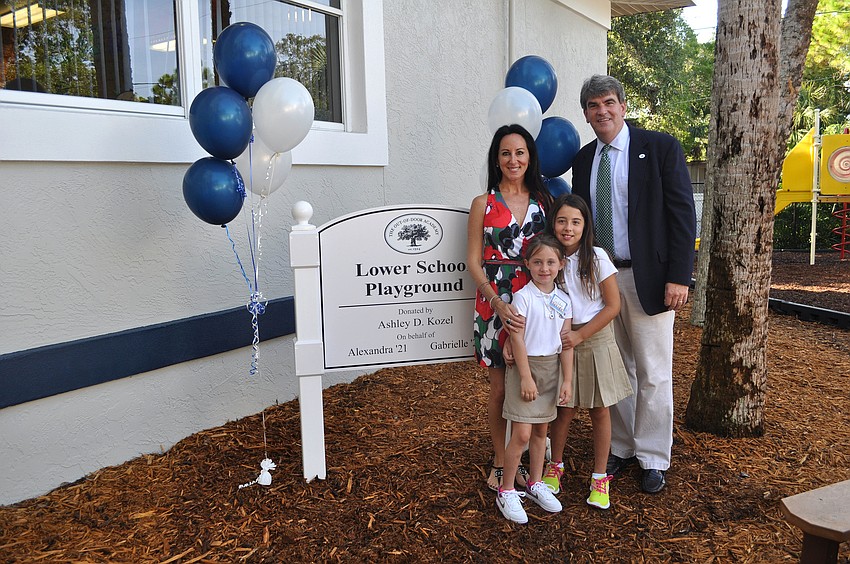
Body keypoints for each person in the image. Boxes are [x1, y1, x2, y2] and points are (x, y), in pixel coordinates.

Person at [571, 75, 696, 493]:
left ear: (623, 106)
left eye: (608, 102)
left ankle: (654, 456)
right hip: (601, 280)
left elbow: (682, 215)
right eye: (592, 105)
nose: (601, 110)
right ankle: (622, 448)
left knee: (654, 370)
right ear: (586, 114)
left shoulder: (659, 148)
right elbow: (579, 222)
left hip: (650, 279)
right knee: (616, 366)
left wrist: (680, 275)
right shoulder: (585, 159)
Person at [467, 123, 551, 493]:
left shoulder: (544, 202)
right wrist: (497, 303)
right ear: (496, 159)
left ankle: (529, 456)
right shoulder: (482, 204)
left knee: (535, 377)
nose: (512, 159)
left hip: (534, 299)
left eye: (519, 152)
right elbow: (473, 261)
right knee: (500, 388)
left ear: (529, 157)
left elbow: (556, 255)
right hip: (494, 300)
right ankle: (501, 463)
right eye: (505, 153)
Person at [540, 193, 633, 510]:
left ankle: (599, 478)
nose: (568, 228)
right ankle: (556, 466)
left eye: (575, 222)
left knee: (600, 409)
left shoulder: (597, 257)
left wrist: (581, 336)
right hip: (563, 341)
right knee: (564, 407)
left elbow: (613, 306)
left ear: (585, 225)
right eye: (562, 220)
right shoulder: (549, 257)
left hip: (593, 339)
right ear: (554, 222)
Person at [498, 234, 573, 523]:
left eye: (551, 262)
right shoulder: (523, 297)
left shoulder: (563, 300)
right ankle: (506, 490)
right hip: (526, 370)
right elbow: (517, 339)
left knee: (542, 432)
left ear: (561, 264)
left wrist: (567, 380)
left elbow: (565, 343)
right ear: (527, 263)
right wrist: (526, 377)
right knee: (522, 434)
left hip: (551, 369)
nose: (544, 268)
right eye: (538, 262)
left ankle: (535, 482)